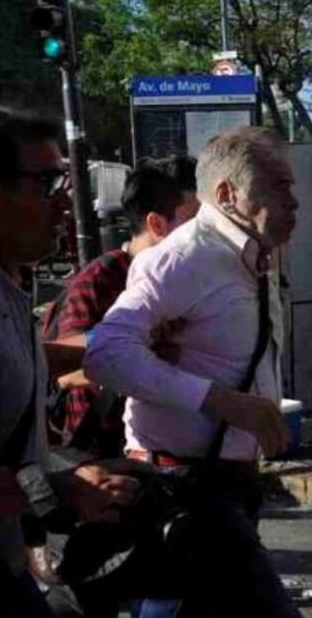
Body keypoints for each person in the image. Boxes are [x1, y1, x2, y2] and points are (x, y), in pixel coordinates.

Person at [84, 126, 300, 618]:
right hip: (183, 484)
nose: (294, 201)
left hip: (231, 483)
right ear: (226, 194)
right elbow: (106, 352)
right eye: (278, 186)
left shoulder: (253, 256)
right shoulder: (183, 258)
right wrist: (222, 401)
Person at [0, 107, 140, 617]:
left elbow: (19, 363)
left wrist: (119, 353)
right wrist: (57, 488)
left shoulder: (10, 285)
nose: (65, 202)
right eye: (47, 184)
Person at [42, 157, 200, 458]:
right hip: (103, 456)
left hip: (171, 448)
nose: (205, 236)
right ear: (156, 224)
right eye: (194, 224)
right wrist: (142, 352)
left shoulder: (189, 279)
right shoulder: (102, 279)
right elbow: (66, 373)